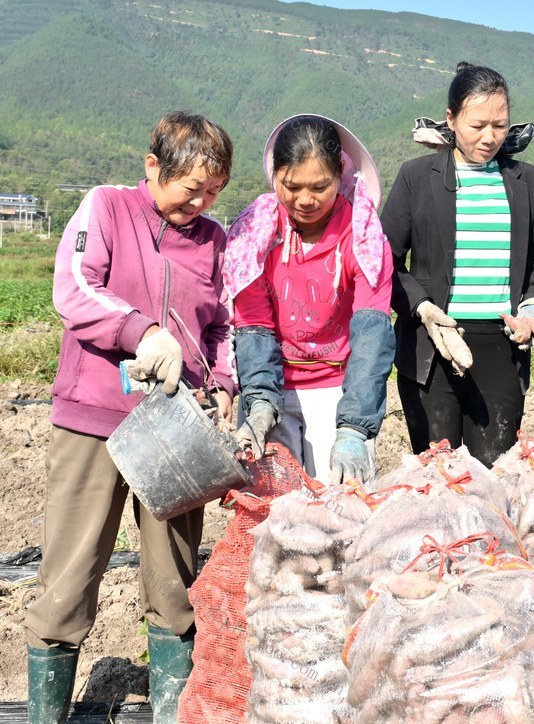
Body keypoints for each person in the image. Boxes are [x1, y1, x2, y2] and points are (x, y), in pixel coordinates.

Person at [25, 111, 235, 722]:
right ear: (152, 168)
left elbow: (220, 323)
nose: (199, 201)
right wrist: (139, 332)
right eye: (189, 187)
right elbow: (74, 286)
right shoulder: (107, 208)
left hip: (175, 432)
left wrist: (221, 382)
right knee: (69, 573)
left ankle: (171, 708)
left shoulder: (213, 239)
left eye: (212, 190)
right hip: (95, 419)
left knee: (173, 584)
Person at [381, 62, 534, 467]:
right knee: (438, 478)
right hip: (432, 346)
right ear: (451, 119)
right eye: (477, 125)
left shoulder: (526, 182)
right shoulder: (416, 177)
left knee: (494, 474)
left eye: (500, 125)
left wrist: (532, 309)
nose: (489, 137)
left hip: (501, 347)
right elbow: (386, 261)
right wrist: (423, 308)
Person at [223, 114, 394, 486]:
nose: (304, 200)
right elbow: (254, 325)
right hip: (273, 384)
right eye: (291, 186)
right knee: (274, 510)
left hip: (338, 390)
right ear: (275, 176)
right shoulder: (256, 234)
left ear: (341, 175)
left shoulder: (363, 238)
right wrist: (260, 402)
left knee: (337, 510)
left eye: (319, 187)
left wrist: (354, 428)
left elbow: (371, 336)